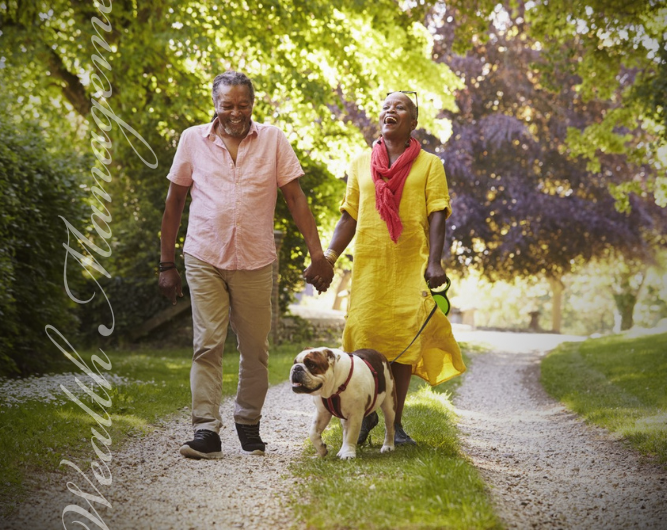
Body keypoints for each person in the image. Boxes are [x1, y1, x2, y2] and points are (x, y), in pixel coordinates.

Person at [159, 71, 333, 459]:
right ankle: (206, 431)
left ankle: (248, 422)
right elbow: (174, 202)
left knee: (255, 349)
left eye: (243, 105)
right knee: (207, 344)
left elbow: (295, 198)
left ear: (253, 104)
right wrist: (165, 263)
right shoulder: (192, 140)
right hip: (204, 255)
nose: (236, 113)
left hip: (255, 261)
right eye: (227, 106)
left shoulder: (273, 140)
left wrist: (317, 254)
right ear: (215, 106)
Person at [312, 91, 466, 446]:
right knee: (363, 338)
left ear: (413, 122)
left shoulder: (430, 164)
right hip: (369, 268)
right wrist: (330, 257)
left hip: (410, 266)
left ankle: (395, 425)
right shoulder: (360, 162)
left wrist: (435, 262)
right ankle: (362, 419)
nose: (390, 110)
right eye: (385, 106)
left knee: (402, 345)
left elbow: (437, 213)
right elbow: (349, 215)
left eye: (400, 107)